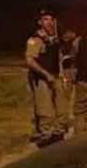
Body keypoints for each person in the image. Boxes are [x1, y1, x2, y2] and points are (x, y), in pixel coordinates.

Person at [25, 8, 68, 146]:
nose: (49, 22)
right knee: (45, 111)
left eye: (51, 19)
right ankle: (46, 138)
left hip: (56, 77)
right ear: (39, 22)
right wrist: (46, 74)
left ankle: (58, 135)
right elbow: (30, 60)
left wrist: (62, 77)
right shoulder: (35, 40)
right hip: (42, 80)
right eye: (45, 19)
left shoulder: (54, 40)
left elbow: (59, 59)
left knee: (62, 109)